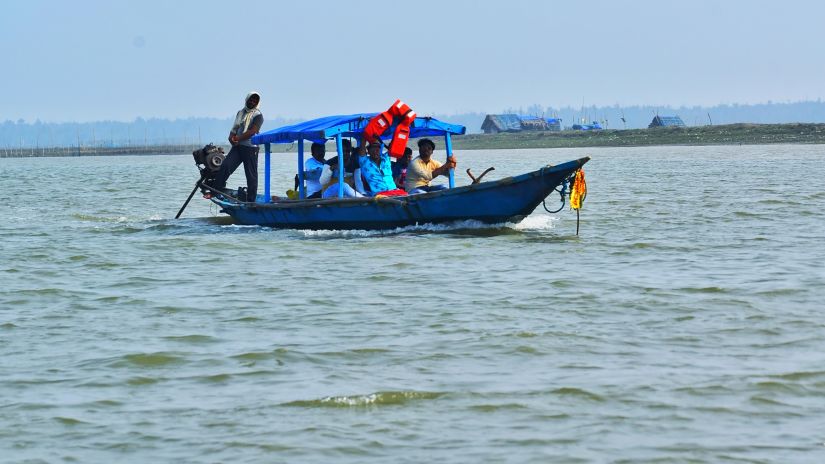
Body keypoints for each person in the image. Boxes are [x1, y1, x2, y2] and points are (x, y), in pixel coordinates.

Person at [213, 92, 264, 201]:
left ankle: (251, 200)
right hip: (238, 147)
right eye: (251, 99)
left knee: (251, 175)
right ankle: (216, 190)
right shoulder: (240, 113)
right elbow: (234, 128)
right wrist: (231, 138)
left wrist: (238, 138)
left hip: (251, 148)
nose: (252, 102)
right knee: (226, 166)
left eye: (255, 101)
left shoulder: (258, 115)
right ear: (246, 100)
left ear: (257, 103)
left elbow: (253, 131)